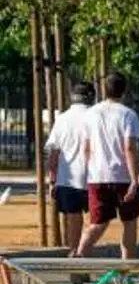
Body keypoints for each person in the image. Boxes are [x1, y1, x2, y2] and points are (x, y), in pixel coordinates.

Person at [76, 72, 139, 259]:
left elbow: (86, 148)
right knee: (129, 222)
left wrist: (88, 172)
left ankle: (80, 257)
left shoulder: (90, 114)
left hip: (97, 176)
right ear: (124, 90)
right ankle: (126, 267)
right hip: (122, 177)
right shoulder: (128, 115)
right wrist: (134, 180)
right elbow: (129, 147)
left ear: (103, 90)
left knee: (98, 222)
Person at [45, 82, 95, 254]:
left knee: (73, 219)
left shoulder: (62, 119)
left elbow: (54, 153)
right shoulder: (96, 117)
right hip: (93, 177)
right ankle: (83, 252)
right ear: (91, 96)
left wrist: (52, 180)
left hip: (67, 178)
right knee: (97, 220)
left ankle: (74, 253)